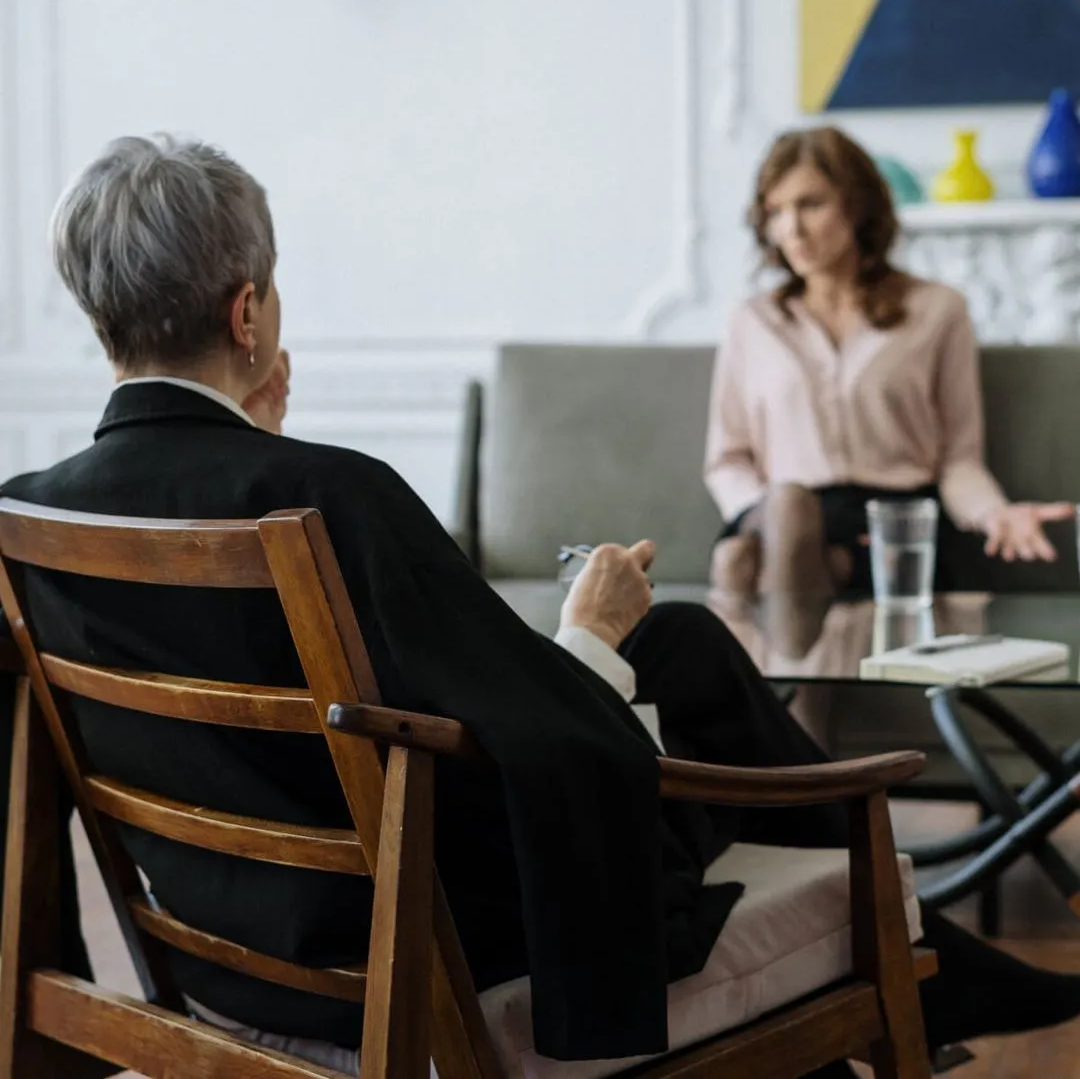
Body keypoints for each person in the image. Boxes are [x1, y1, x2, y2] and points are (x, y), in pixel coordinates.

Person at [2, 136, 1080, 1079]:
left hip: (222, 943)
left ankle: (928, 954)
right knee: (660, 655)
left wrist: (259, 435)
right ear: (248, 312)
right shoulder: (330, 495)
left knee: (688, 639)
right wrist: (591, 630)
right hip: (438, 935)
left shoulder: (29, 519)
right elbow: (532, 734)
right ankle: (912, 936)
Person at [705, 126, 1072, 600]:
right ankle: (787, 549)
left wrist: (995, 514)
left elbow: (959, 460)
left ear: (856, 206)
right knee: (781, 520)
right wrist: (774, 517)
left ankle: (782, 663)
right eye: (775, 211)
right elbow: (727, 460)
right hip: (775, 519)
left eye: (810, 205)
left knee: (739, 563)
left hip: (893, 525)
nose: (790, 230)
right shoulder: (751, 322)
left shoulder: (938, 311)